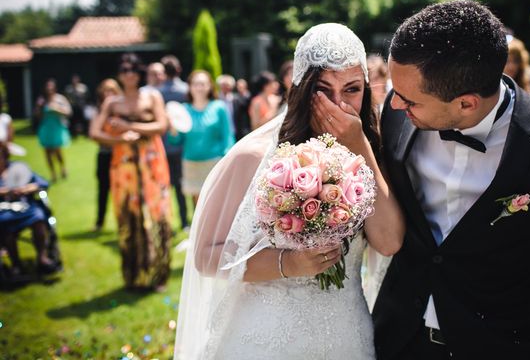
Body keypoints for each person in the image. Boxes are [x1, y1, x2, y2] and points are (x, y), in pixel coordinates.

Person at [373, 0, 530, 360]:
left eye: (410, 100)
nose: (395, 104)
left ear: (466, 103)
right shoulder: (398, 114)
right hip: (397, 340)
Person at [175, 23, 405, 359]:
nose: (338, 104)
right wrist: (288, 264)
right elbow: (206, 255)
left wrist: (360, 147)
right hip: (266, 337)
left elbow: (389, 241)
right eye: (323, 90)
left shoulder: (370, 152)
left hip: (345, 334)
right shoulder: (252, 157)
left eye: (352, 89)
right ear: (301, 88)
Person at [90, 54, 172, 291]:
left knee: (159, 214)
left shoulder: (152, 96)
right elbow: (95, 132)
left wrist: (130, 126)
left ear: (140, 72)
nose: (129, 74)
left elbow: (161, 125)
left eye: (133, 69)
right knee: (129, 215)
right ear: (119, 74)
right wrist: (117, 138)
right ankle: (135, 275)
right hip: (123, 165)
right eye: (124, 69)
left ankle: (159, 274)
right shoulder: (111, 102)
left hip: (151, 162)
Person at [168, 70, 234, 208]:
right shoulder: (183, 110)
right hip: (191, 163)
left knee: (215, 203)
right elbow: (176, 140)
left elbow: (227, 136)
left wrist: (227, 159)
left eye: (203, 84)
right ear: (190, 87)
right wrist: (173, 131)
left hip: (214, 162)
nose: (199, 87)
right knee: (198, 206)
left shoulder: (219, 107)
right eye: (195, 84)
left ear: (209, 86)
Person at [0, 144, 58, 276]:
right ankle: (16, 264)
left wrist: (26, 188)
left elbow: (42, 183)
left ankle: (42, 257)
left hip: (25, 207)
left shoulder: (17, 168)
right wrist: (5, 192)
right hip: (3, 211)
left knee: (38, 217)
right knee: (5, 226)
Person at [157, 55, 189, 230]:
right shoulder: (185, 90)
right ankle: (185, 221)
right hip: (183, 145)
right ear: (178, 70)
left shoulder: (158, 93)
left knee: (164, 184)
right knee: (182, 184)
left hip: (163, 144)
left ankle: (165, 220)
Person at [90, 79, 122, 231]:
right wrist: (117, 140)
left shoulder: (123, 111)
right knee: (103, 190)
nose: (109, 94)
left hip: (121, 157)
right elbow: (94, 135)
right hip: (104, 156)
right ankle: (99, 221)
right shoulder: (99, 111)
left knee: (122, 190)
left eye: (112, 91)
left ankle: (123, 221)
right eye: (106, 91)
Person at [35, 79, 71, 182]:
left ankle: (63, 168)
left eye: (51, 88)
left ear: (55, 88)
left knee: (57, 151)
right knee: (47, 152)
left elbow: (68, 112)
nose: (49, 90)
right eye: (47, 88)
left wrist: (56, 109)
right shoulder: (42, 101)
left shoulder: (60, 99)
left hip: (57, 128)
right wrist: (39, 108)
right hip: (46, 128)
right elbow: (37, 116)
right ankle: (53, 173)